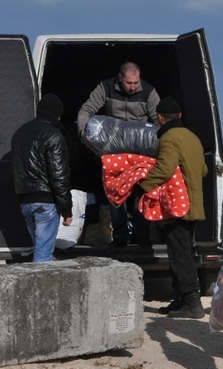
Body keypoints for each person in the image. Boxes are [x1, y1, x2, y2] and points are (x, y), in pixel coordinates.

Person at [77, 62, 160, 249]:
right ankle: (120, 236)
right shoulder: (105, 87)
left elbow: (158, 119)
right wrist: (83, 134)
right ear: (120, 78)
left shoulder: (149, 91)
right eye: (129, 83)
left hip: (140, 152)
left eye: (136, 83)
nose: (133, 87)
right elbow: (86, 110)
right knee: (115, 193)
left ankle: (143, 235)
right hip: (114, 152)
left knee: (142, 192)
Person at [138, 97, 208, 318]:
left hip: (177, 206)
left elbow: (165, 168)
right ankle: (180, 300)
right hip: (193, 204)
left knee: (179, 255)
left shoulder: (169, 138)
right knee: (181, 251)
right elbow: (204, 170)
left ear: (160, 117)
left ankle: (192, 302)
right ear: (180, 116)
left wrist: (143, 185)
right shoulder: (192, 137)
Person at [11, 93, 73, 262]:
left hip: (25, 201)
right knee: (43, 255)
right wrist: (67, 209)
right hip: (45, 202)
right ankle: (39, 280)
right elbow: (59, 176)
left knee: (41, 249)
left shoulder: (19, 133)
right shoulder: (54, 136)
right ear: (57, 114)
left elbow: (15, 169)